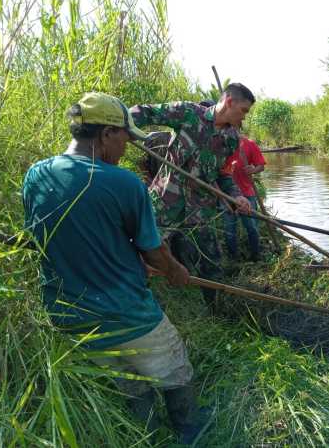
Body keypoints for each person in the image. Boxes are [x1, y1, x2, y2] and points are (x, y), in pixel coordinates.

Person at [22, 93, 208, 444]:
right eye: (125, 137)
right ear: (107, 133)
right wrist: (174, 271)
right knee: (175, 368)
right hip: (126, 312)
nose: (127, 147)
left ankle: (146, 434)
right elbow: (154, 252)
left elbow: (55, 239)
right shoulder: (124, 184)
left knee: (126, 381)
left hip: (69, 316)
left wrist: (129, 259)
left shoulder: (36, 175)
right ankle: (190, 430)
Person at [129, 84, 254, 307]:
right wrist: (122, 127)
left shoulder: (232, 138)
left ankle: (216, 311)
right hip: (165, 203)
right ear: (230, 102)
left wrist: (237, 196)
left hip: (200, 209)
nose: (244, 117)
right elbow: (145, 111)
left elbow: (224, 174)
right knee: (143, 255)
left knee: (212, 261)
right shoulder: (187, 113)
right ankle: (139, 307)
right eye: (243, 110)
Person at [220, 135, 266, 261]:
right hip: (227, 195)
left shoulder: (249, 144)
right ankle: (234, 258)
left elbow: (261, 166)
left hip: (247, 194)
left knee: (252, 228)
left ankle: (256, 256)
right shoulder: (220, 144)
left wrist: (253, 169)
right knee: (229, 230)